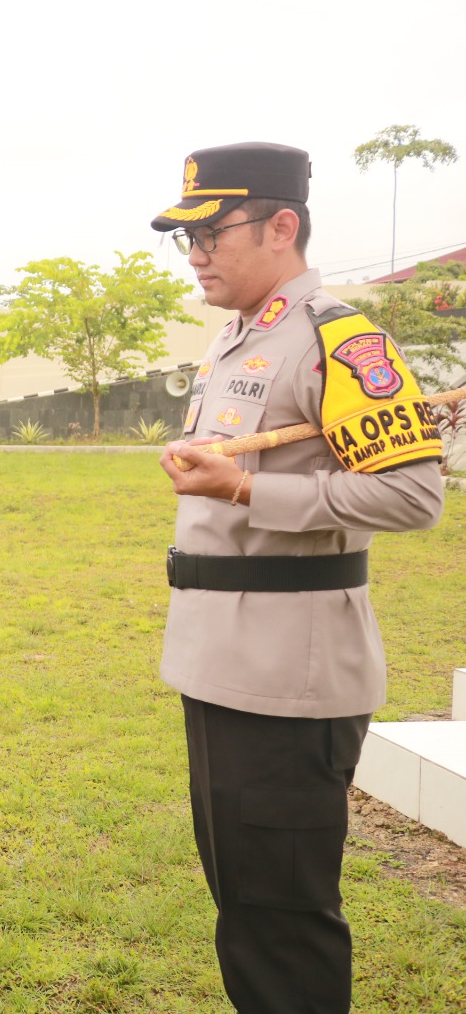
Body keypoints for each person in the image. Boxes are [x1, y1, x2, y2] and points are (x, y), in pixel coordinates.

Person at [151, 143, 445, 1014]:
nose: (198, 250)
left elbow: (411, 494)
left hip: (289, 675)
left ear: (284, 225)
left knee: (282, 916)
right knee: (244, 903)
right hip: (220, 661)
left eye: (213, 230)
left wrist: (244, 483)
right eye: (187, 235)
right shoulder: (240, 336)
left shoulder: (338, 339)